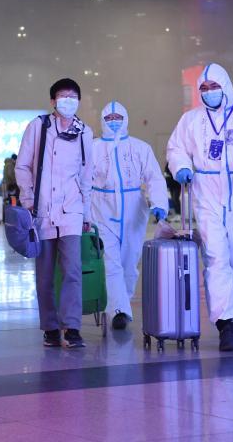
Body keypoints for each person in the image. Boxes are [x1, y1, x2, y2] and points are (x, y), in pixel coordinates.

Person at [167, 63, 233, 352]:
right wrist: (181, 168)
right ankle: (226, 323)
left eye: (213, 87)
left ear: (225, 85)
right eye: (203, 88)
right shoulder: (190, 120)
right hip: (206, 195)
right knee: (216, 258)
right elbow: (176, 149)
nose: (209, 93)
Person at [16, 78, 94, 349]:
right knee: (45, 274)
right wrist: (27, 198)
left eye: (73, 97)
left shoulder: (85, 132)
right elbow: (23, 165)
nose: (68, 102)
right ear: (53, 102)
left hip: (71, 210)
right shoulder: (38, 127)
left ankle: (72, 327)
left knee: (73, 271)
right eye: (63, 97)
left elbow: (87, 176)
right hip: (42, 210)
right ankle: (50, 327)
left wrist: (86, 214)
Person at [91, 101, 169, 330]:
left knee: (129, 262)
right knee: (110, 260)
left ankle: (121, 302)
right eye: (109, 118)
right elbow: (83, 183)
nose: (113, 121)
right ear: (102, 120)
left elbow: (154, 177)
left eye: (118, 117)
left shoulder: (140, 148)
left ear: (125, 119)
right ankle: (119, 311)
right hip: (102, 209)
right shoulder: (92, 147)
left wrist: (159, 203)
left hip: (134, 209)